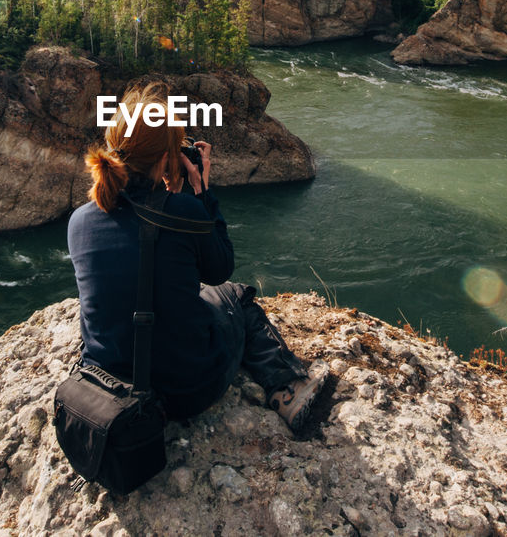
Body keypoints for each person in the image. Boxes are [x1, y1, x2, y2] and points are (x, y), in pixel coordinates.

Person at [67, 81, 327, 429]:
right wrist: (200, 190)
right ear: (166, 157)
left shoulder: (79, 221)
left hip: (107, 387)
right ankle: (288, 390)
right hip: (186, 390)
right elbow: (219, 269)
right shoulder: (185, 211)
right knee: (236, 296)